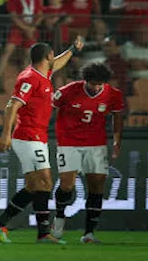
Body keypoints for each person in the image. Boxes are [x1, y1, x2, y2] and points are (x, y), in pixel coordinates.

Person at [0, 38, 84, 244]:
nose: (55, 60)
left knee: (33, 186)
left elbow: (58, 63)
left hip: (37, 136)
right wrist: (5, 134)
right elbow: (12, 105)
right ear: (48, 56)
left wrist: (72, 49)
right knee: (45, 182)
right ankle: (43, 233)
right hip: (28, 136)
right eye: (53, 55)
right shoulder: (30, 78)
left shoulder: (43, 73)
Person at [50, 62, 124, 244]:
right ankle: (58, 219)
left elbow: (117, 117)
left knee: (97, 185)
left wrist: (117, 140)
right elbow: (49, 108)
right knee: (67, 184)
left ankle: (89, 233)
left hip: (96, 143)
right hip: (69, 142)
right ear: (85, 80)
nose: (97, 88)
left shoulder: (113, 94)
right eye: (93, 84)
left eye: (100, 84)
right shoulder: (67, 91)